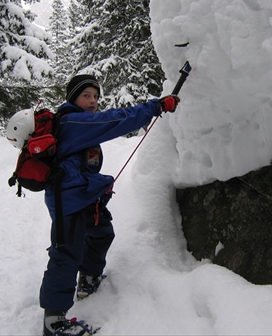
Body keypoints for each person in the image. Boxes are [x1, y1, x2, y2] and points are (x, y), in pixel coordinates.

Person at [40, 74, 180, 336]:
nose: (93, 101)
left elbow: (80, 164)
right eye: (86, 96)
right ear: (73, 98)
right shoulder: (72, 121)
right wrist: (155, 106)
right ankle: (54, 322)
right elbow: (117, 120)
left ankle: (88, 280)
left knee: (102, 233)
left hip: (85, 197)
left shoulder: (78, 122)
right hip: (67, 203)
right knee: (65, 256)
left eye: (95, 96)